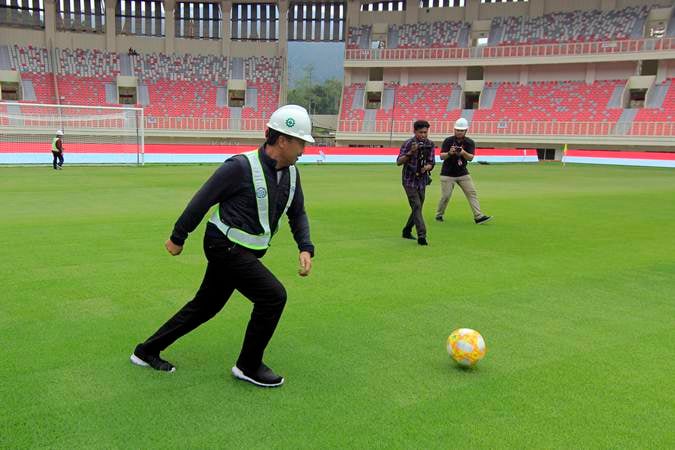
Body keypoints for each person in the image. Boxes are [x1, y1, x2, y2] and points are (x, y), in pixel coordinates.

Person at [130, 105, 316, 388]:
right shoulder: (240, 167)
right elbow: (203, 199)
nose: (304, 149)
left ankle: (146, 351)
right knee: (273, 296)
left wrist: (305, 246)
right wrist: (179, 236)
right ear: (282, 140)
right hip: (224, 245)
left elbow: (297, 212)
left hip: (243, 250)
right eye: (301, 142)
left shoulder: (291, 174)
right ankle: (248, 365)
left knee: (205, 306)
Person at [435, 118, 492, 225]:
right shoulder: (448, 141)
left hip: (463, 173)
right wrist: (450, 153)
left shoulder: (469, 142)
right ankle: (439, 214)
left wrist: (463, 152)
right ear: (454, 130)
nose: (459, 132)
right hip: (447, 173)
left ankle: (478, 216)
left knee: (472, 193)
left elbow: (470, 158)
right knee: (446, 196)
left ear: (466, 131)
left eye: (461, 130)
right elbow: (441, 156)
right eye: (457, 130)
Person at [396, 120, 435, 246]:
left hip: (422, 180)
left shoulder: (430, 144)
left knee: (417, 207)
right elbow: (399, 161)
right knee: (417, 205)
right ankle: (422, 235)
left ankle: (407, 230)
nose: (423, 135)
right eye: (421, 132)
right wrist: (411, 152)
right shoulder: (408, 144)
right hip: (409, 180)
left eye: (425, 132)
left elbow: (431, 161)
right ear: (415, 131)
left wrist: (428, 167)